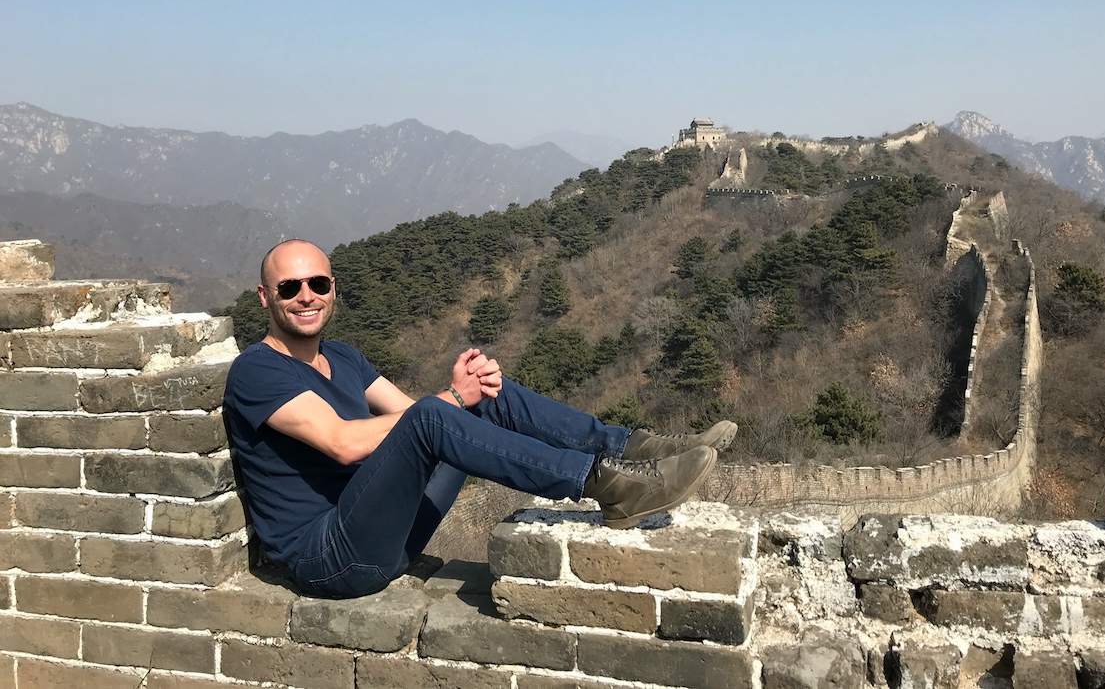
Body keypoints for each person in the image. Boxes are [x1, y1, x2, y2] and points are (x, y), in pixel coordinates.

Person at [223, 238, 737, 599]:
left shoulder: (343, 356)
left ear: (334, 286)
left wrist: (464, 394)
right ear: (266, 298)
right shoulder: (257, 371)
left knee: (482, 394)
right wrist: (449, 398)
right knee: (439, 410)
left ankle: (636, 449)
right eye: (289, 288)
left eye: (317, 282)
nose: (306, 296)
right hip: (331, 557)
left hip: (387, 532)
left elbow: (406, 417)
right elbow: (343, 442)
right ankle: (607, 486)